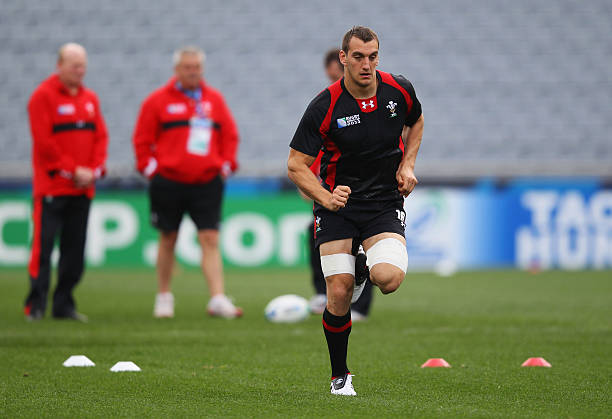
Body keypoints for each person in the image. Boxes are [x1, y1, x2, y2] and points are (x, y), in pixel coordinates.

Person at [287, 26, 424, 395]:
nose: (367, 64)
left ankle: (363, 265)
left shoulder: (399, 90)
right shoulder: (324, 105)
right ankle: (339, 377)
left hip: (383, 202)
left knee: (389, 279)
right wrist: (325, 196)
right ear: (343, 58)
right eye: (359, 56)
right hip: (338, 207)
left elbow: (416, 121)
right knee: (338, 293)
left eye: (373, 56)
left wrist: (407, 165)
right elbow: (296, 165)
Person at [133, 46, 241, 319]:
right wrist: (151, 168)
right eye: (188, 67)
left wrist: (227, 164)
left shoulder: (214, 100)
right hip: (168, 181)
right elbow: (142, 139)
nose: (193, 72)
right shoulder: (157, 101)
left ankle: (217, 297)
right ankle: (164, 296)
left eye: (197, 67)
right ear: (177, 69)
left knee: (210, 237)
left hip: (206, 181)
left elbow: (229, 134)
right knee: (168, 237)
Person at [25, 43, 109, 322]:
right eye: (75, 65)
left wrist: (94, 169)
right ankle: (35, 305)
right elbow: (45, 143)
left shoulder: (90, 99)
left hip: (82, 189)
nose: (80, 71)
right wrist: (73, 170)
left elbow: (101, 137)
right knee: (44, 249)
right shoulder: (43, 97)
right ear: (59, 65)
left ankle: (64, 304)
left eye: (83, 65)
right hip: (52, 188)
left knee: (74, 251)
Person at [308, 48, 375, 323]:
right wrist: (313, 184)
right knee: (313, 233)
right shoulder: (327, 103)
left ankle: (359, 305)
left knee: (365, 244)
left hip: (369, 190)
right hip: (332, 189)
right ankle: (325, 292)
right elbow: (317, 149)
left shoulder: (373, 99)